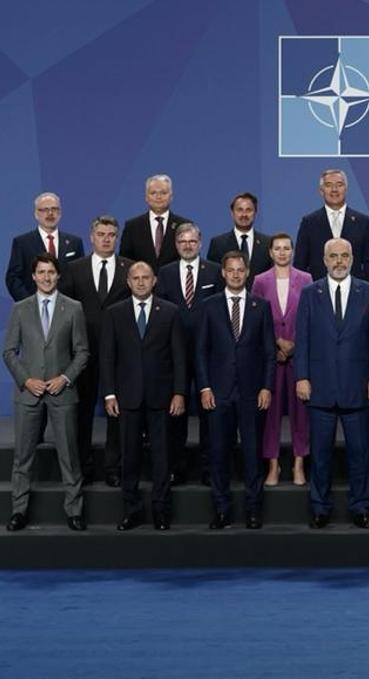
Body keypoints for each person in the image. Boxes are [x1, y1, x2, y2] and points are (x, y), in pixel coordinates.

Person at [295, 238, 369, 529]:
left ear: (352, 258)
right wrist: (302, 377)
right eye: (333, 256)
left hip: (358, 388)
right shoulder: (310, 293)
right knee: (320, 455)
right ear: (324, 260)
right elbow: (303, 339)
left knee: (359, 454)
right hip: (319, 388)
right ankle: (320, 507)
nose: (338, 261)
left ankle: (361, 507)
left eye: (344, 255)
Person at [1, 255, 89, 531]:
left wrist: (64, 378)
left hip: (61, 393)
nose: (47, 277)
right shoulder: (20, 309)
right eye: (42, 272)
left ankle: (74, 511)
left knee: (69, 455)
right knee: (23, 457)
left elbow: (82, 352)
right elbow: (9, 351)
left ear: (58, 276)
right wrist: (26, 381)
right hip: (29, 394)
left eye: (51, 272)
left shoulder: (73, 308)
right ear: (33, 276)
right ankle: (19, 510)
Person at [99, 261, 187, 531]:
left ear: (154, 281)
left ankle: (161, 510)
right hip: (127, 397)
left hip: (161, 397)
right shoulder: (115, 313)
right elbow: (107, 357)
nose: (140, 282)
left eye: (145, 277)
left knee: (161, 457)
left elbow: (179, 357)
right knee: (130, 456)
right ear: (128, 282)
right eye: (135, 278)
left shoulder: (170, 312)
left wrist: (179, 393)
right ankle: (131, 509)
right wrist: (110, 394)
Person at [196, 252, 275, 529]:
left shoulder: (261, 306)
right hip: (218, 393)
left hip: (252, 393)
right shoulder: (209, 306)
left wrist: (267, 387)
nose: (236, 275)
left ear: (248, 272)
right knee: (219, 454)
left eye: (240, 270)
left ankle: (253, 510)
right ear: (223, 273)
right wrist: (205, 387)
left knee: (253, 455)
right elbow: (201, 352)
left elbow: (268, 352)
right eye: (231, 270)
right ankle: (222, 510)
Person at [58, 215, 132, 486]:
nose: (106, 239)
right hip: (82, 352)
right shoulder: (74, 268)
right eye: (101, 234)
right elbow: (64, 310)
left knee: (117, 412)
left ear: (117, 237)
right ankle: (82, 466)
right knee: (82, 411)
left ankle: (114, 467)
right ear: (91, 237)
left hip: (121, 354)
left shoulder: (130, 268)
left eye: (111, 234)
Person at [155, 222, 220, 484]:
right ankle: (176, 468)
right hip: (174, 355)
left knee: (209, 416)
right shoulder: (165, 273)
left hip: (209, 353)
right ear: (176, 245)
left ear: (200, 244)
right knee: (176, 414)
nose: (187, 246)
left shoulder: (214, 272)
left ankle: (208, 468)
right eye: (182, 242)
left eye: (192, 241)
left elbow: (220, 313)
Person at [252, 233, 312, 486]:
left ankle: (299, 464)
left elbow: (311, 316)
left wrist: (295, 345)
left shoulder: (306, 279)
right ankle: (273, 466)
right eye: (277, 248)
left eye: (287, 248)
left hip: (299, 357)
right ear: (270, 252)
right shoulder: (260, 280)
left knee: (302, 414)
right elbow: (255, 317)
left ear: (293, 251)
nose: (282, 252)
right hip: (271, 357)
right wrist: (276, 342)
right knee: (270, 414)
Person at [295, 168, 369, 282]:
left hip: (355, 294)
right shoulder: (309, 222)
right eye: (329, 185)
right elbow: (300, 265)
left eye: (339, 185)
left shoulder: (362, 222)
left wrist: (367, 293)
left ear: (346, 189)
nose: (334, 189)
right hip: (319, 294)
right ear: (321, 190)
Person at [6, 192, 84, 301]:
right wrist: (29, 304)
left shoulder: (74, 243)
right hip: (33, 310)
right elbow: (13, 278)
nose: (50, 213)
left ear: (60, 213)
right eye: (45, 210)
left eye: (54, 209)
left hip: (67, 309)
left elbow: (81, 278)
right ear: (36, 214)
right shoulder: (22, 243)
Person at [119, 174, 191, 269]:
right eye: (153, 193)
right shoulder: (132, 227)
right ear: (146, 197)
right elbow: (125, 262)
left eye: (163, 193)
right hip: (142, 282)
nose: (158, 197)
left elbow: (190, 259)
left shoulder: (185, 226)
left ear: (171, 196)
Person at [206, 192, 272, 280]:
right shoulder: (218, 244)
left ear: (255, 213)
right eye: (240, 210)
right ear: (232, 213)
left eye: (248, 210)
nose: (244, 214)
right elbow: (213, 277)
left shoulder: (267, 243)